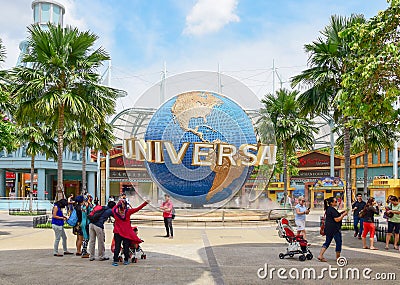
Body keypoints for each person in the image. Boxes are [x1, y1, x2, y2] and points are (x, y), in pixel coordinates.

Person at [112, 198, 150, 266]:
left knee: (117, 246)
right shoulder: (128, 212)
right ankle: (126, 260)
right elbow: (137, 209)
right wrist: (145, 203)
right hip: (126, 233)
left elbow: (115, 207)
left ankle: (115, 261)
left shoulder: (115, 211)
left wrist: (119, 203)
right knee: (126, 246)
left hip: (117, 232)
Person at [317, 197, 348, 262]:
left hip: (328, 228)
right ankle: (338, 257)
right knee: (338, 242)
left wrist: (342, 212)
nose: (336, 202)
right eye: (335, 201)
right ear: (331, 203)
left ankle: (320, 255)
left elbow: (336, 215)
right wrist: (343, 215)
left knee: (327, 242)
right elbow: (337, 219)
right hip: (335, 229)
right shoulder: (332, 210)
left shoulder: (328, 209)